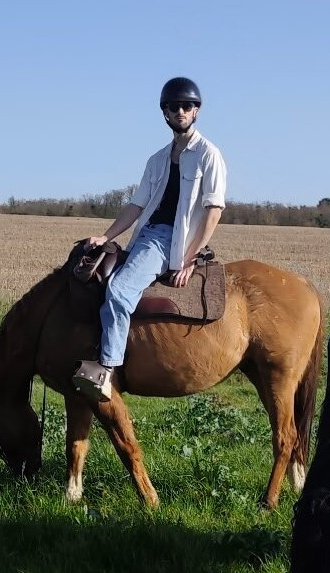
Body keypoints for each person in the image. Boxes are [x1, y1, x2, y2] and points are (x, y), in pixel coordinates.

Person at [72, 77, 227, 402]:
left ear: (196, 111)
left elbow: (213, 210)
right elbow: (136, 205)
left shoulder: (209, 155)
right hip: (147, 236)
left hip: (169, 241)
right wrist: (107, 236)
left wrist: (189, 257)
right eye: (174, 107)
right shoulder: (156, 160)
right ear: (165, 113)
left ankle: (106, 371)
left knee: (118, 291)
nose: (181, 111)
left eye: (187, 106)